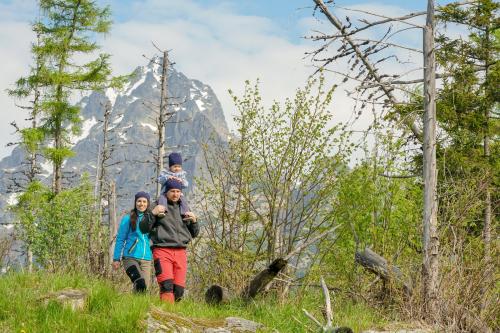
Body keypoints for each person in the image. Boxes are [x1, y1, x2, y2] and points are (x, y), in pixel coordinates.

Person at [140, 179, 199, 303]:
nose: (175, 194)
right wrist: (153, 213)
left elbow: (194, 234)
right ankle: (166, 317)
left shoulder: (184, 208)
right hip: (162, 250)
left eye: (178, 191)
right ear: (166, 191)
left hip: (181, 252)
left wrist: (194, 222)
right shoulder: (157, 206)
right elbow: (143, 228)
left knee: (179, 291)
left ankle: (175, 318)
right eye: (172, 191)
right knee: (166, 286)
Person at [112, 191, 153, 293]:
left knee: (144, 289)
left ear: (148, 203)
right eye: (139, 201)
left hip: (146, 259)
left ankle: (136, 308)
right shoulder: (128, 219)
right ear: (135, 203)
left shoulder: (151, 219)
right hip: (130, 257)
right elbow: (120, 239)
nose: (141, 204)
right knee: (140, 283)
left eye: (144, 201)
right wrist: (116, 258)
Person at [157, 152, 190, 217]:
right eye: (175, 166)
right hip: (165, 192)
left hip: (178, 194)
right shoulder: (166, 173)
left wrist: (182, 181)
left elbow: (186, 185)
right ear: (170, 167)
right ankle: (162, 210)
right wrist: (167, 177)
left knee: (183, 201)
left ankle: (185, 213)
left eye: (179, 167)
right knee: (162, 199)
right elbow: (159, 180)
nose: (177, 168)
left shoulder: (182, 174)